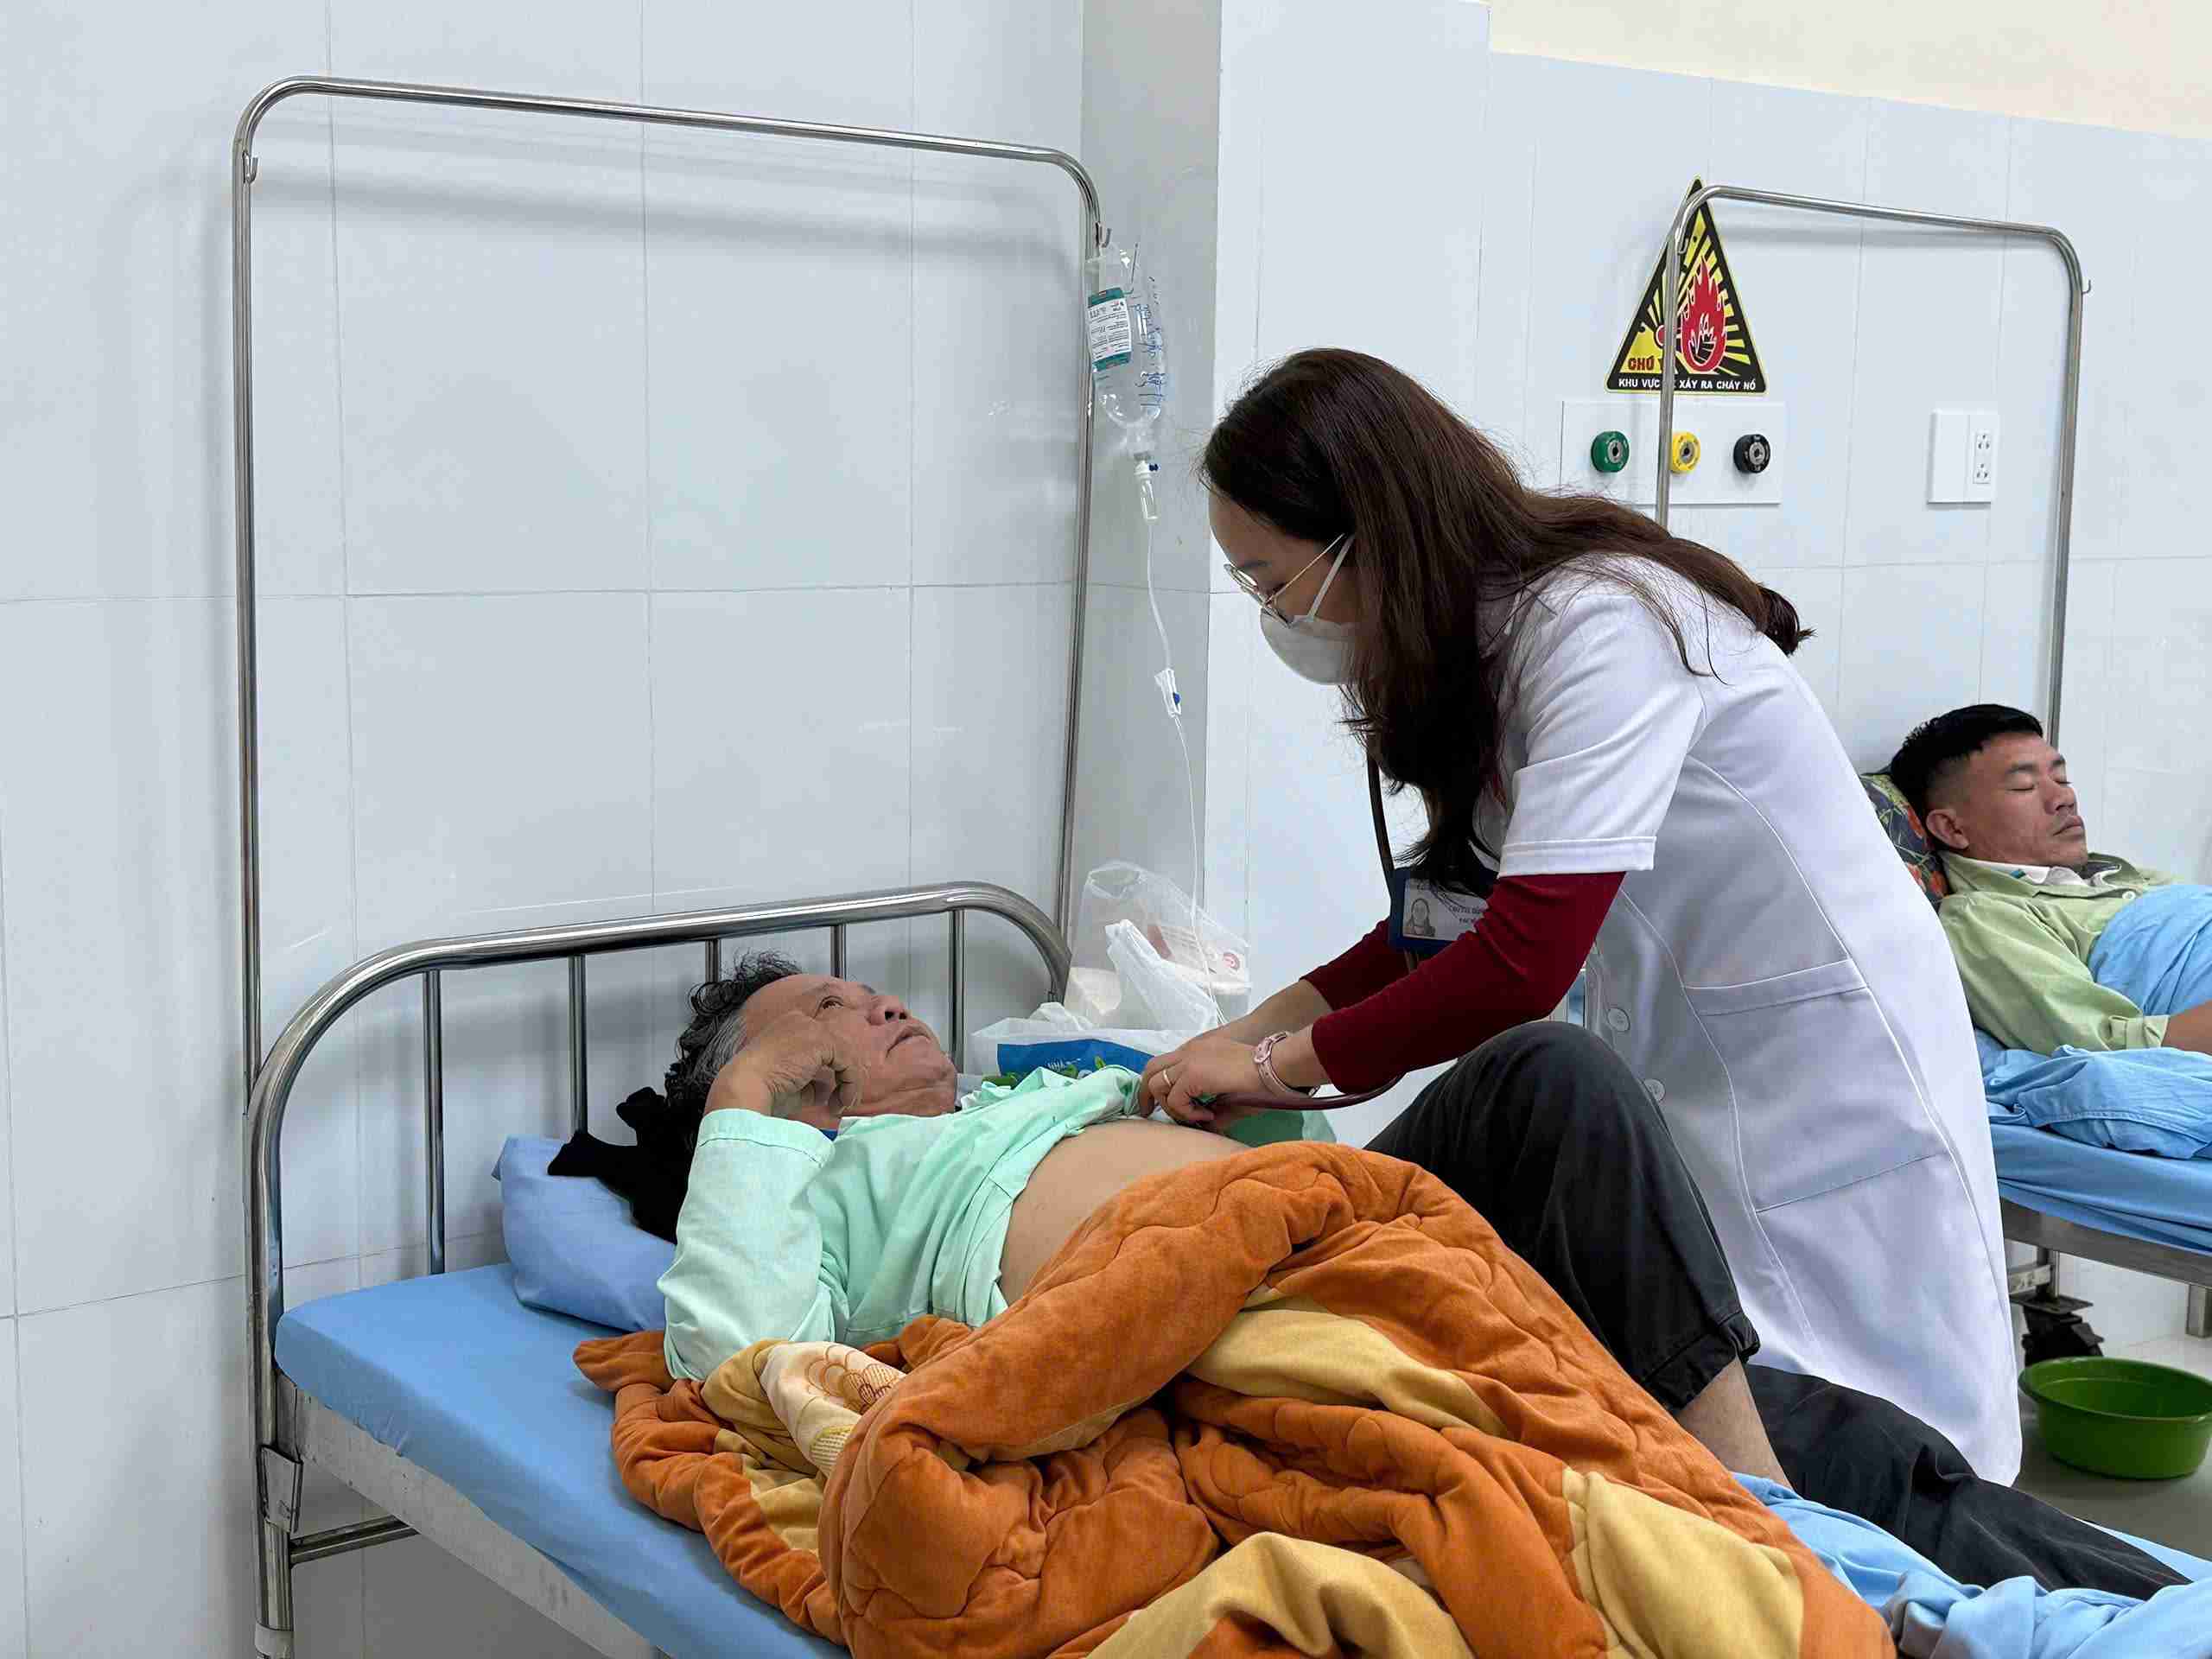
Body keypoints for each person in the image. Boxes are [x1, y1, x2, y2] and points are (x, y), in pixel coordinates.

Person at [1141, 347, 2019, 1482]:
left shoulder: (1601, 626)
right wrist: (1249, 1028)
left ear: (1370, 533)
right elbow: (1435, 928)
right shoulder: (1486, 652)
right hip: (1699, 1064)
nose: (1274, 614)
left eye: (1272, 580)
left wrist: (1281, 1068)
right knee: (1745, 1398)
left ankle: (1939, 1602)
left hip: (1833, 1068)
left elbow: (1520, 960)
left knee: (1894, 1423)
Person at [645, 955, 2180, 1599]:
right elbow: (737, 1351)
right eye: (832, 1013)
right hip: (1253, 1320)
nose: (886, 1003)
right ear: (791, 1081)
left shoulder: (1013, 1093)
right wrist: (742, 1108)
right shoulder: (813, 1182)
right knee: (1823, 1449)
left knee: (1553, 1076)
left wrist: (1212, 1075)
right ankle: (1762, 1512)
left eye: (876, 985)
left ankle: (2153, 1610)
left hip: (1376, 1229)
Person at [1887, 703, 2212, 1058]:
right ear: (1952, 828)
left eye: (2062, 780)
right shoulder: (1985, 915)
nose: (2064, 798)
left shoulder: (2131, 880)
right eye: (2024, 787)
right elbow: (2104, 1045)